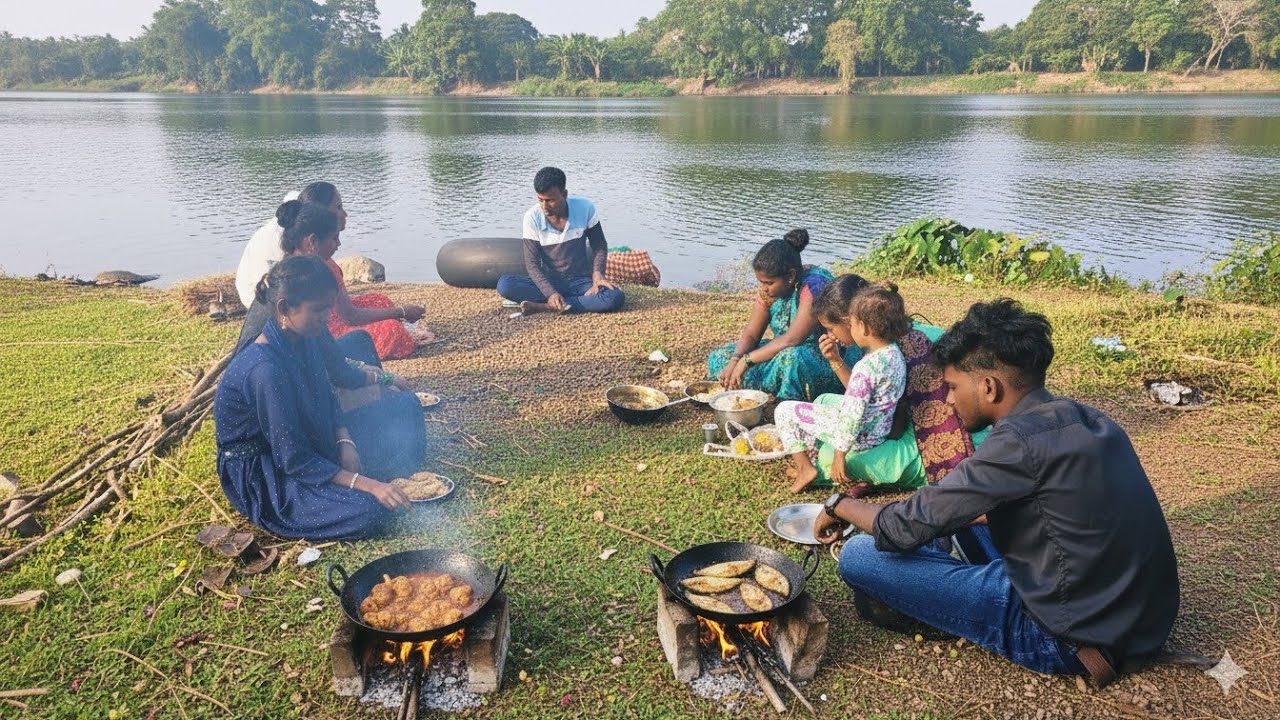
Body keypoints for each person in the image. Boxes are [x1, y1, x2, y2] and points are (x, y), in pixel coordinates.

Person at [813, 299, 1179, 683]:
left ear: (988, 387)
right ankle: (942, 574)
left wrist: (840, 504)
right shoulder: (1083, 417)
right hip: (1130, 616)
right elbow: (1030, 509)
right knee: (951, 519)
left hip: (1065, 635)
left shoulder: (1017, 444)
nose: (949, 399)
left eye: (952, 387)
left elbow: (901, 527)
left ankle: (942, 599)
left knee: (859, 555)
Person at [214, 255, 424, 541]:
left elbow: (327, 395)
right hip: (268, 471)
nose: (326, 318)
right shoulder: (264, 369)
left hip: (312, 438)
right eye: (318, 310)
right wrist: (365, 484)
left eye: (327, 308)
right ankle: (357, 485)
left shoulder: (305, 337)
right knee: (370, 510)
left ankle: (355, 479)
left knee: (405, 407)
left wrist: (344, 440)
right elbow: (293, 458)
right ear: (285, 308)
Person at [775, 282, 911, 494]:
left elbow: (852, 417)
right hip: (879, 430)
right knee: (824, 401)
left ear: (864, 327)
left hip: (859, 436)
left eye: (853, 323)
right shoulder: (894, 354)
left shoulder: (865, 368)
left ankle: (806, 468)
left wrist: (839, 455)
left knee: (784, 411)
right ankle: (811, 462)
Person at [265, 191, 426, 360]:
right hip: (322, 329)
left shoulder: (302, 260)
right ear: (312, 241)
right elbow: (349, 316)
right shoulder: (311, 271)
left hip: (320, 323)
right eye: (334, 239)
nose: (339, 244)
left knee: (379, 300)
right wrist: (400, 312)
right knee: (391, 330)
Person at [707, 230, 859, 401]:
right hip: (781, 349)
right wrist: (736, 359)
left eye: (769, 283)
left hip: (824, 354)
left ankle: (786, 399)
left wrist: (746, 361)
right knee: (719, 357)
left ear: (791, 276)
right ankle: (761, 385)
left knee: (792, 359)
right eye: (761, 282)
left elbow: (793, 339)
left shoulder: (814, 285)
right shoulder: (769, 293)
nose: (763, 288)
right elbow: (752, 333)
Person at [496, 166, 624, 315]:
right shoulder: (531, 217)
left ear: (564, 194)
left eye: (550, 200)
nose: (544, 206)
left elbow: (599, 245)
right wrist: (550, 293)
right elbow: (532, 264)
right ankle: (567, 301)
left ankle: (547, 307)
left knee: (615, 297)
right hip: (550, 281)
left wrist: (597, 274)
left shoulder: (585, 207)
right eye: (540, 200)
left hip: (581, 281)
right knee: (505, 285)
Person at [234, 182, 348, 309]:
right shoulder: (289, 236)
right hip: (262, 298)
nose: (344, 214)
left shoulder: (301, 219)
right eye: (338, 207)